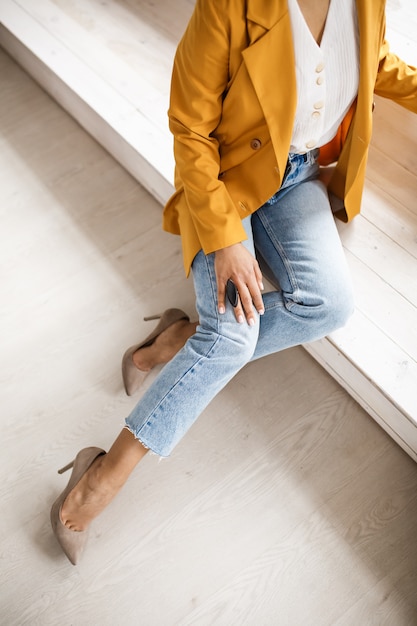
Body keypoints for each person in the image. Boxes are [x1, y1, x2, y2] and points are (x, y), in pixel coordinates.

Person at [50, 0, 417, 565]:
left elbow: (373, 59)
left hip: (298, 176)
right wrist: (226, 239)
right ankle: (99, 475)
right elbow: (190, 128)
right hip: (224, 180)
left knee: (330, 305)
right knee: (232, 337)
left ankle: (179, 338)